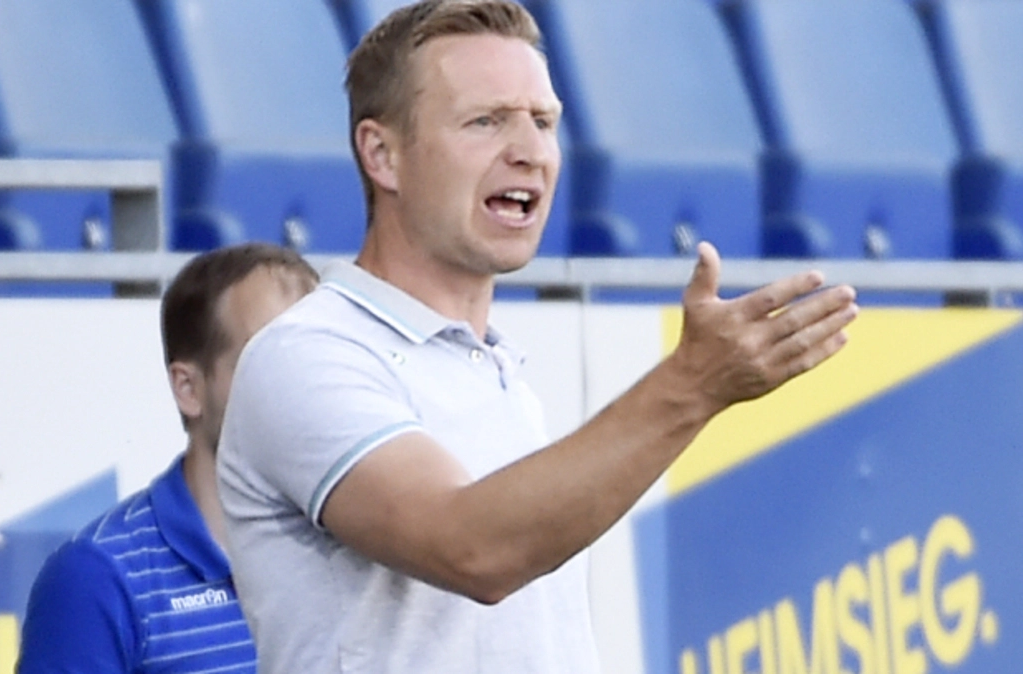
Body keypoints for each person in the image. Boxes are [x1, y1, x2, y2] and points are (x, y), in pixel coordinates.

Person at [216, 0, 859, 671]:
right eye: (485, 121)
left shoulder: (498, 374)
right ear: (382, 154)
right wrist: (692, 385)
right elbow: (472, 549)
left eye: (544, 122)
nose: (529, 153)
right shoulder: (308, 354)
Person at [16, 243, 318, 673]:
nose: (304, 386)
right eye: (267, 358)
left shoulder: (362, 549)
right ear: (188, 389)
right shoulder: (99, 578)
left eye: (318, 359)